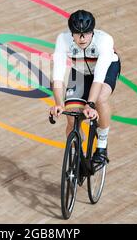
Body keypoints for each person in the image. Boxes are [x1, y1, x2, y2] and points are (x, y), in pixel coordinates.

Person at [49, 10, 121, 164]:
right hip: (80, 71)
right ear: (71, 33)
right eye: (77, 33)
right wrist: (59, 104)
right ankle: (76, 154)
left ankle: (101, 145)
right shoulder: (63, 40)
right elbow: (57, 76)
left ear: (92, 32)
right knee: (71, 117)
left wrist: (90, 104)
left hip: (106, 69)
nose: (82, 38)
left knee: (100, 99)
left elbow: (99, 78)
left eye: (86, 33)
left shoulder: (104, 40)